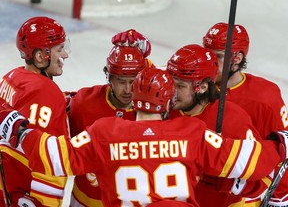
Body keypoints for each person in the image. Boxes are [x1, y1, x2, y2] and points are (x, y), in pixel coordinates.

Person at [0, 68, 286, 207]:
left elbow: (54, 156)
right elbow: (251, 161)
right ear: (167, 102)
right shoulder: (191, 134)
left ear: (134, 99)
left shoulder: (105, 132)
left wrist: (19, 129)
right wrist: (280, 143)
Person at [165, 44, 268, 206]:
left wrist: (229, 184)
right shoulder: (167, 108)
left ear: (203, 87)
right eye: (170, 83)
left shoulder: (232, 119)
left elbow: (263, 177)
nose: (172, 91)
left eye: (180, 86)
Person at [202, 22, 288, 206]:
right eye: (206, 54)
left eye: (218, 56)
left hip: (242, 197)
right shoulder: (196, 90)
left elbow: (282, 149)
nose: (210, 62)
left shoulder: (265, 97)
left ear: (237, 58)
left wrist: (280, 198)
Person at [68, 42, 154, 206]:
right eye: (122, 82)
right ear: (109, 77)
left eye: (133, 81)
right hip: (84, 201)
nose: (128, 90)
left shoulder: (152, 108)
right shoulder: (83, 102)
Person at [0, 16, 70, 206]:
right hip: (17, 194)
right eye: (59, 49)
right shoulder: (47, 92)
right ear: (40, 56)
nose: (65, 55)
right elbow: (45, 159)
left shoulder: (12, 76)